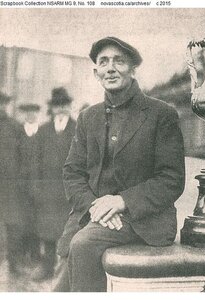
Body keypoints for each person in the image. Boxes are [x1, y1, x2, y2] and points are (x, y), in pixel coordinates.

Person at [54, 37, 185, 292]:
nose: (110, 68)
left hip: (144, 220)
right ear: (96, 73)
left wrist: (121, 202)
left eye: (119, 61)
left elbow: (171, 179)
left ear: (133, 69)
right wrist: (95, 208)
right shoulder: (87, 117)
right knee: (60, 279)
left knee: (82, 245)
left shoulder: (161, 114)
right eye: (103, 62)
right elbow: (72, 172)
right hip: (94, 216)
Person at [31, 88, 76, 281]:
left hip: (70, 189)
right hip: (48, 190)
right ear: (52, 108)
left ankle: (70, 273)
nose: (60, 109)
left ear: (69, 107)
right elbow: (34, 162)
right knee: (47, 231)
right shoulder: (43, 131)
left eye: (64, 105)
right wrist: (35, 187)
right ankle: (47, 266)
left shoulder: (78, 128)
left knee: (71, 232)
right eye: (57, 106)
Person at [0, 92, 28, 277]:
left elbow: (24, 157)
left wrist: (20, 181)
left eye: (2, 103)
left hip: (10, 186)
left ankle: (13, 264)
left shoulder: (15, 127)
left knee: (13, 225)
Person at [16, 103, 42, 268]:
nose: (30, 115)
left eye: (33, 112)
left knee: (37, 218)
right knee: (22, 218)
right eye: (27, 113)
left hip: (38, 182)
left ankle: (35, 253)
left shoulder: (43, 132)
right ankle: (22, 252)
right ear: (24, 115)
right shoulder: (17, 132)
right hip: (21, 184)